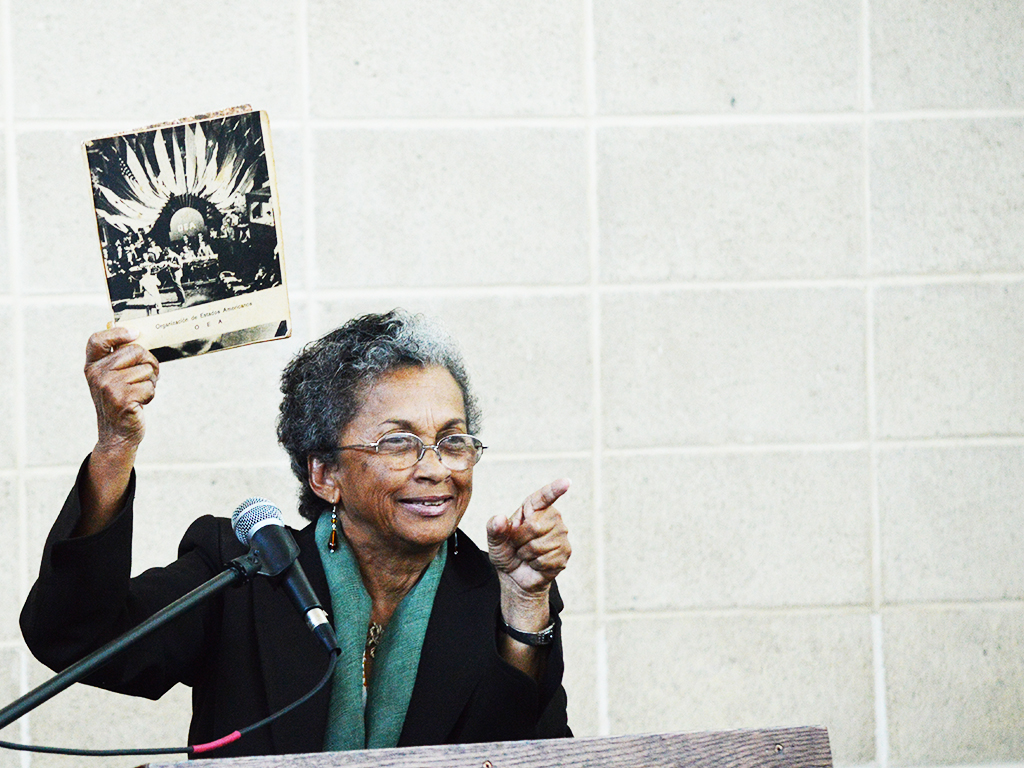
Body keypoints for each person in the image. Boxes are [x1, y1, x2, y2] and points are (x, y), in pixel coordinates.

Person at [20, 310, 572, 758]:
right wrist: (116, 446)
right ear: (324, 474)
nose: (435, 468)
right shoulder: (245, 570)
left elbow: (530, 755)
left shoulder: (498, 589)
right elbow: (78, 639)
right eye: (398, 443)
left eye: (452, 441)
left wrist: (525, 603)